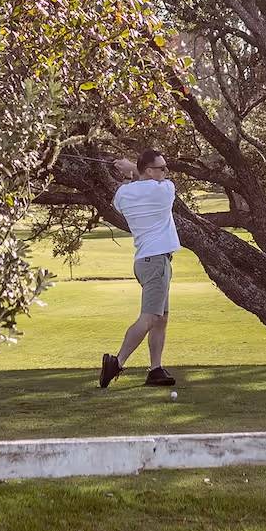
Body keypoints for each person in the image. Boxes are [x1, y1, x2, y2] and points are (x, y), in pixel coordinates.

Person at [99, 149, 179, 389]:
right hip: (155, 261)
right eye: (161, 168)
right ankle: (117, 362)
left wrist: (126, 174)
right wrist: (132, 167)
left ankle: (155, 369)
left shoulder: (123, 193)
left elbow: (122, 200)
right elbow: (147, 181)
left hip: (146, 260)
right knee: (149, 318)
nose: (166, 172)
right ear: (148, 171)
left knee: (161, 319)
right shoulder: (164, 190)